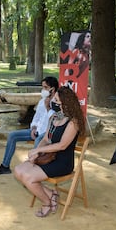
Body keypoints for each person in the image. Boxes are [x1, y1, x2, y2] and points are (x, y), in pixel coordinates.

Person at [14, 86, 85, 218]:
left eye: (56, 99)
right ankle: (52, 194)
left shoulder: (73, 123)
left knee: (29, 178)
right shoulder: (54, 118)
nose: (53, 101)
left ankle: (47, 203)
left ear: (65, 102)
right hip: (47, 157)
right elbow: (46, 138)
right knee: (18, 171)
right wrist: (37, 152)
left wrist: (38, 150)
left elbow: (62, 145)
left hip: (62, 163)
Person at [0, 76, 59, 175]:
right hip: (37, 130)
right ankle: (5, 166)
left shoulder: (57, 102)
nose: (43, 90)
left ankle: (33, 171)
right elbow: (37, 117)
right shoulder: (42, 100)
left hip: (47, 134)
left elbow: (55, 119)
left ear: (53, 89)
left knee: (39, 140)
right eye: (42, 87)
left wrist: (48, 107)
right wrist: (33, 128)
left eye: (46, 87)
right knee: (12, 135)